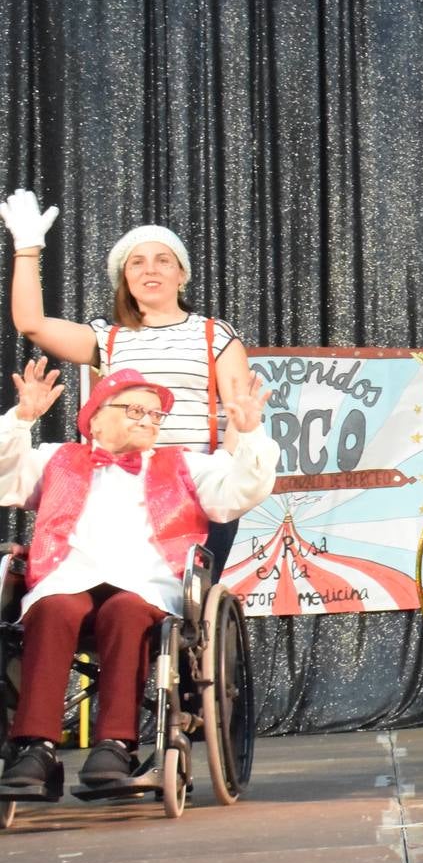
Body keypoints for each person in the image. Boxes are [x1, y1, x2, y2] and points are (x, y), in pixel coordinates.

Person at [0, 363, 278, 799]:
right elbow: (4, 479)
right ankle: (35, 747)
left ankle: (116, 745)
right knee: (52, 608)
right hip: (66, 577)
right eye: (136, 410)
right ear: (95, 416)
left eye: (155, 415)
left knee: (126, 611)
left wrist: (251, 433)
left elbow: (239, 493)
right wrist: (21, 419)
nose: (148, 420)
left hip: (145, 584)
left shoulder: (183, 464)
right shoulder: (56, 458)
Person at [3, 191, 253, 577]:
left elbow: (241, 411)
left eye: (162, 261)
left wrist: (223, 471)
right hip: (119, 491)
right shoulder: (108, 338)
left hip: (194, 486)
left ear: (180, 274)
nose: (149, 270)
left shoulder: (214, 335)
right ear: (125, 277)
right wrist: (28, 249)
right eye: (137, 263)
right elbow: (32, 324)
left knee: (184, 605)